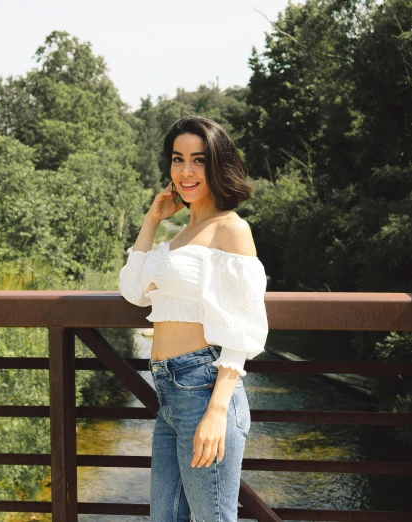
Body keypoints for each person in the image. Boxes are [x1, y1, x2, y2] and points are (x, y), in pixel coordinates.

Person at [118, 116, 269, 522]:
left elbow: (244, 324)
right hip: (168, 389)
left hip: (204, 390)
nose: (186, 171)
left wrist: (218, 409)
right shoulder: (180, 235)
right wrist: (152, 219)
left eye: (199, 160)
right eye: (178, 159)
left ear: (218, 164)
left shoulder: (231, 229)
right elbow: (133, 290)